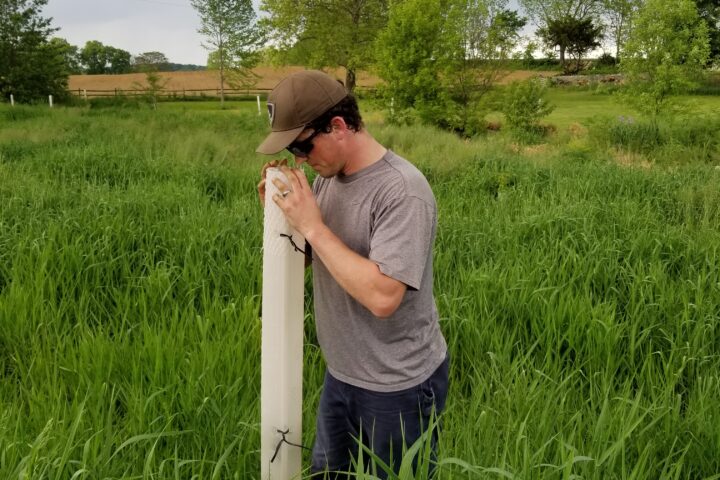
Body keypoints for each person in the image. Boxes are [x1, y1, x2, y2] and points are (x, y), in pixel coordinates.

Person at [256, 70, 448, 479]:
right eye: (292, 151)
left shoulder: (402, 191)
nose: (299, 161)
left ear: (338, 126)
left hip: (396, 385)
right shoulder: (330, 179)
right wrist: (283, 220)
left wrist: (312, 226)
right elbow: (318, 259)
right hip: (341, 373)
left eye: (303, 147)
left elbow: (383, 297)